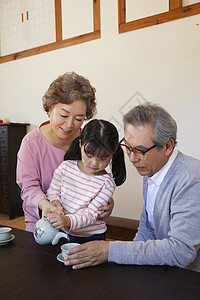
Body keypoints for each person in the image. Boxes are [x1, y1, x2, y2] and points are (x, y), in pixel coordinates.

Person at [63, 102, 200, 272]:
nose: (132, 158)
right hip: (166, 270)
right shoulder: (152, 169)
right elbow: (147, 227)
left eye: (140, 151)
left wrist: (109, 250)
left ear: (167, 146)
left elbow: (182, 251)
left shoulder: (191, 179)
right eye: (128, 147)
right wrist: (129, 265)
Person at [16, 72, 114, 232]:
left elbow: (97, 179)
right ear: (49, 108)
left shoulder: (86, 141)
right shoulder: (31, 143)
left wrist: (108, 203)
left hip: (80, 227)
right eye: (64, 115)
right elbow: (28, 187)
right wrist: (46, 204)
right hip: (43, 222)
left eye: (79, 119)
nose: (70, 124)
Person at [46, 119, 126, 243]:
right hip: (63, 231)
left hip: (92, 237)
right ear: (80, 144)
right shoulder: (65, 167)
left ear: (112, 154)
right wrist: (55, 201)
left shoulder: (107, 183)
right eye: (89, 155)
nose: (94, 163)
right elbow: (52, 191)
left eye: (103, 158)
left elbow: (91, 214)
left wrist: (67, 220)